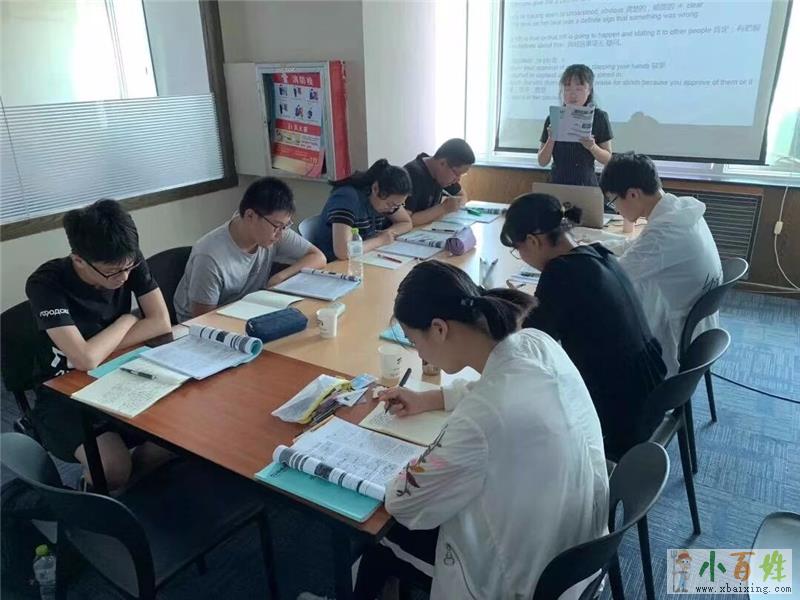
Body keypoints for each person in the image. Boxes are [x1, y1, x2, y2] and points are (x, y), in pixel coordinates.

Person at [352, 261, 609, 599]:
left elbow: (405, 503)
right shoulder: (535, 343)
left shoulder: (480, 420)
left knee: (375, 536)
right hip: (577, 553)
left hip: (521, 579)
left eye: (414, 341)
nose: (419, 353)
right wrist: (430, 398)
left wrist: (402, 469)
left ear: (439, 329)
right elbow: (493, 389)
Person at [500, 193, 667, 459]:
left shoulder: (560, 273)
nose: (521, 257)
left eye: (518, 250)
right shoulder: (598, 254)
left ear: (533, 241)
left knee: (513, 416)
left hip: (620, 417)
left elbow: (528, 345)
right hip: (651, 391)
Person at [25, 200, 173, 490]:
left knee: (177, 435)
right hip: (64, 391)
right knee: (112, 467)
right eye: (112, 272)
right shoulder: (46, 284)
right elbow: (83, 360)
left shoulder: (125, 259)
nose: (124, 277)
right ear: (79, 259)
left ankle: (130, 491)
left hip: (119, 372)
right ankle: (95, 495)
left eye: (129, 268)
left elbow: (160, 322)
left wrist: (98, 347)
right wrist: (127, 321)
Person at [599, 152, 723, 375]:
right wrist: (597, 245)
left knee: (600, 313)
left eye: (613, 201)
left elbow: (615, 276)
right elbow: (637, 246)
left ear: (633, 194)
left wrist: (582, 256)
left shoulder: (664, 232)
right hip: (699, 326)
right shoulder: (679, 210)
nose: (615, 209)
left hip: (680, 341)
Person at [174, 177, 326, 322]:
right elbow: (203, 320)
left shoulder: (273, 232)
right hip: (205, 325)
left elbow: (318, 257)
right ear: (250, 215)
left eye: (285, 226)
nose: (280, 234)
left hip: (249, 312)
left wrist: (280, 277)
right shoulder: (209, 257)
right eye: (277, 226)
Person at [311, 159, 413, 261]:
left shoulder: (388, 201)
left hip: (361, 258)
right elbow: (343, 251)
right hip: (334, 263)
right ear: (375, 188)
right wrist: (380, 240)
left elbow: (406, 222)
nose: (392, 210)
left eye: (398, 205)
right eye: (390, 204)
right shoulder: (347, 198)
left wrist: (388, 233)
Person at [537, 64, 613, 186]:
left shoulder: (599, 117)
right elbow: (542, 161)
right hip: (557, 184)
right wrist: (551, 138)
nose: (572, 95)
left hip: (586, 185)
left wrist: (592, 147)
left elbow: (608, 159)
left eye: (579, 89)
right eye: (567, 89)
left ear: (589, 90)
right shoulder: (553, 117)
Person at [403, 138, 475, 226]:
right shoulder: (412, 174)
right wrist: (443, 208)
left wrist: (455, 204)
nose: (458, 179)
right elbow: (405, 221)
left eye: (462, 175)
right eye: (457, 173)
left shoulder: (441, 174)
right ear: (442, 163)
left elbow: (462, 195)